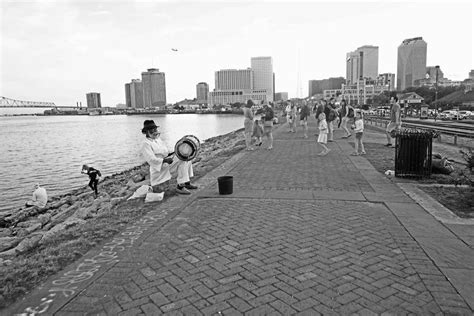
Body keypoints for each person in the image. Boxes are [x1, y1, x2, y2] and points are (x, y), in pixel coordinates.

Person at [140, 120, 197, 195]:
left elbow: (165, 152)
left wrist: (173, 153)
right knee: (182, 159)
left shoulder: (158, 140)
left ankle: (186, 182)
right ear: (146, 132)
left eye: (155, 129)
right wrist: (164, 160)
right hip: (159, 168)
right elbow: (151, 159)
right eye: (151, 130)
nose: (154, 131)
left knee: (185, 157)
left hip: (166, 163)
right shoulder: (145, 144)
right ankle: (180, 187)